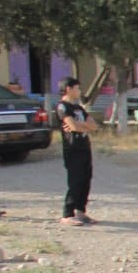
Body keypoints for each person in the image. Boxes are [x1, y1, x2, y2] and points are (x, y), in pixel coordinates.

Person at [55, 77, 98, 227]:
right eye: (77, 88)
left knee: (86, 179)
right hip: (73, 149)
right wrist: (83, 125)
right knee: (76, 180)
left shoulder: (79, 108)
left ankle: (81, 211)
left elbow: (94, 126)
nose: (79, 91)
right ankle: (67, 214)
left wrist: (82, 125)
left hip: (85, 147)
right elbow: (73, 126)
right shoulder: (63, 107)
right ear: (69, 89)